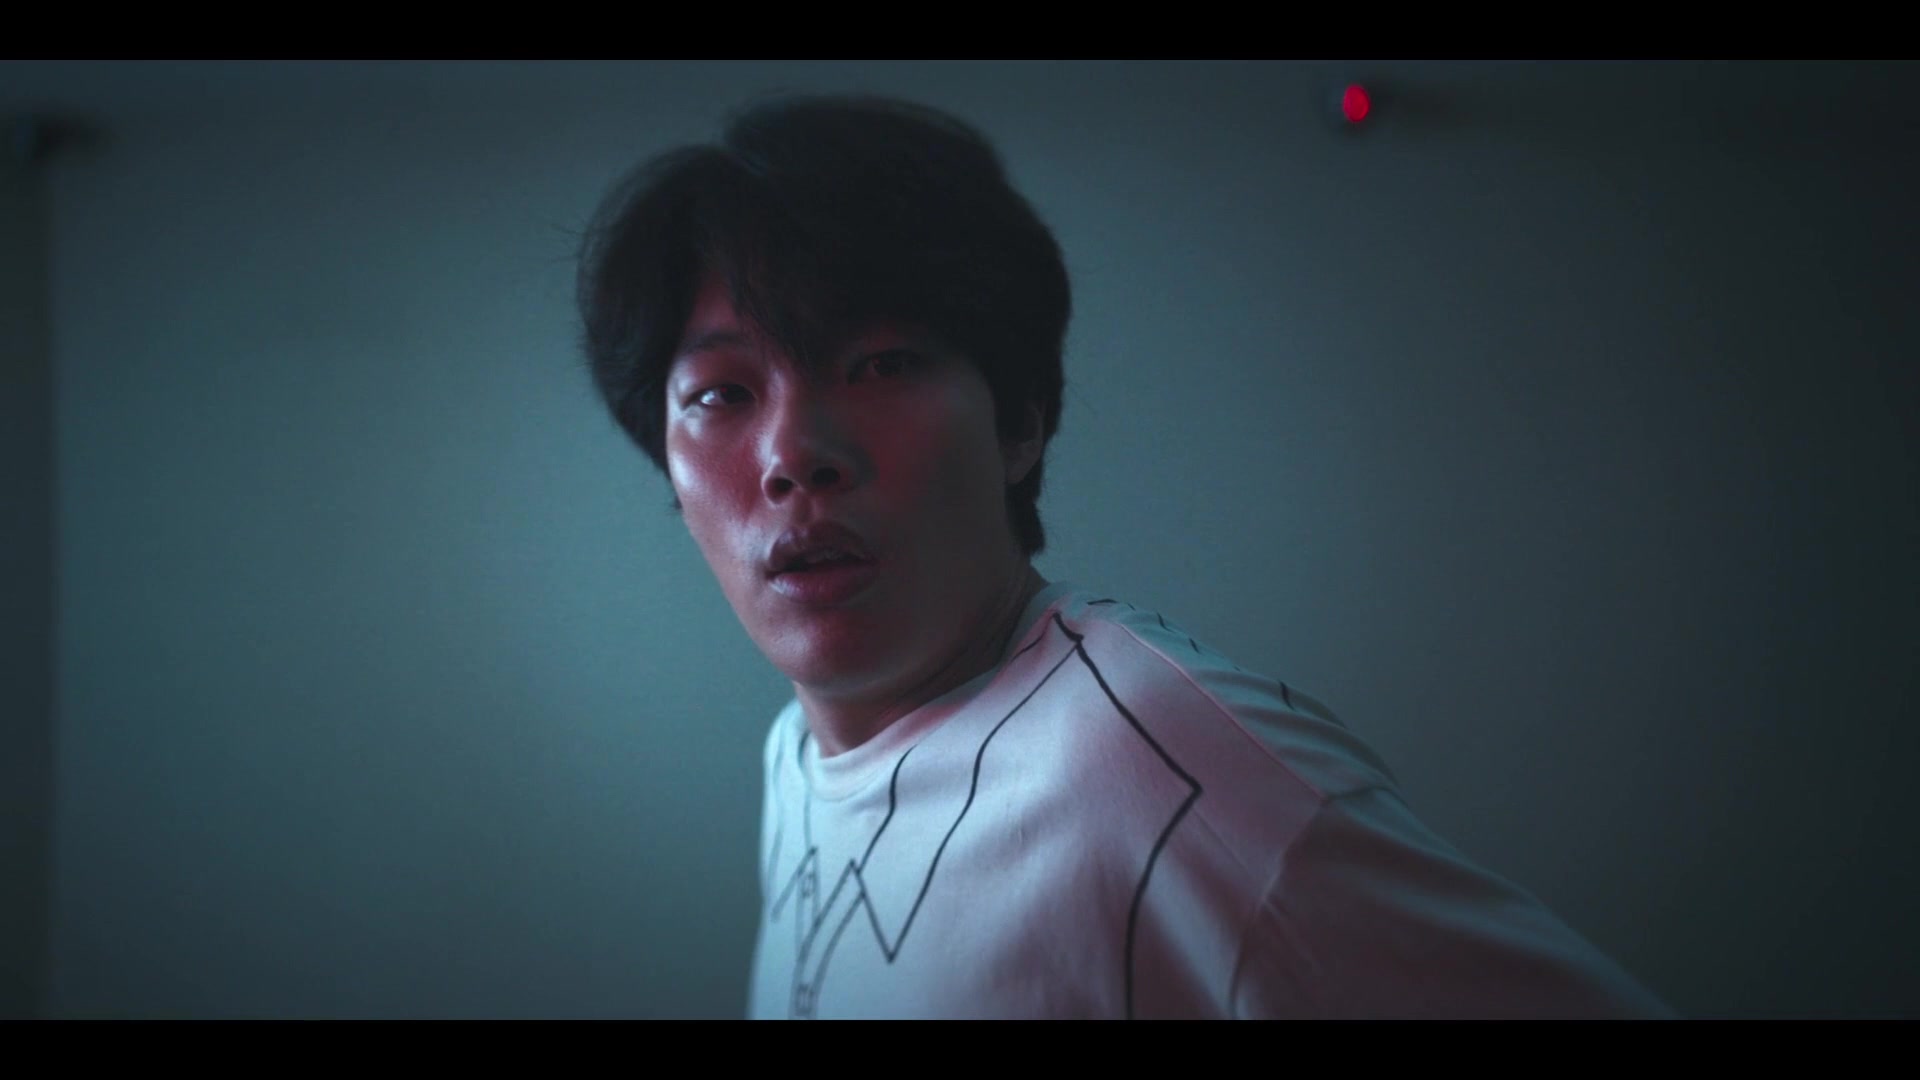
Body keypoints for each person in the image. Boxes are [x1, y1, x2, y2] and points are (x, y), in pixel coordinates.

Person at [576, 94, 1673, 1019]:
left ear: (1020, 422)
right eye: (721, 393)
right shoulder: (797, 753)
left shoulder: (1161, 769)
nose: (793, 455)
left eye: (880, 363)